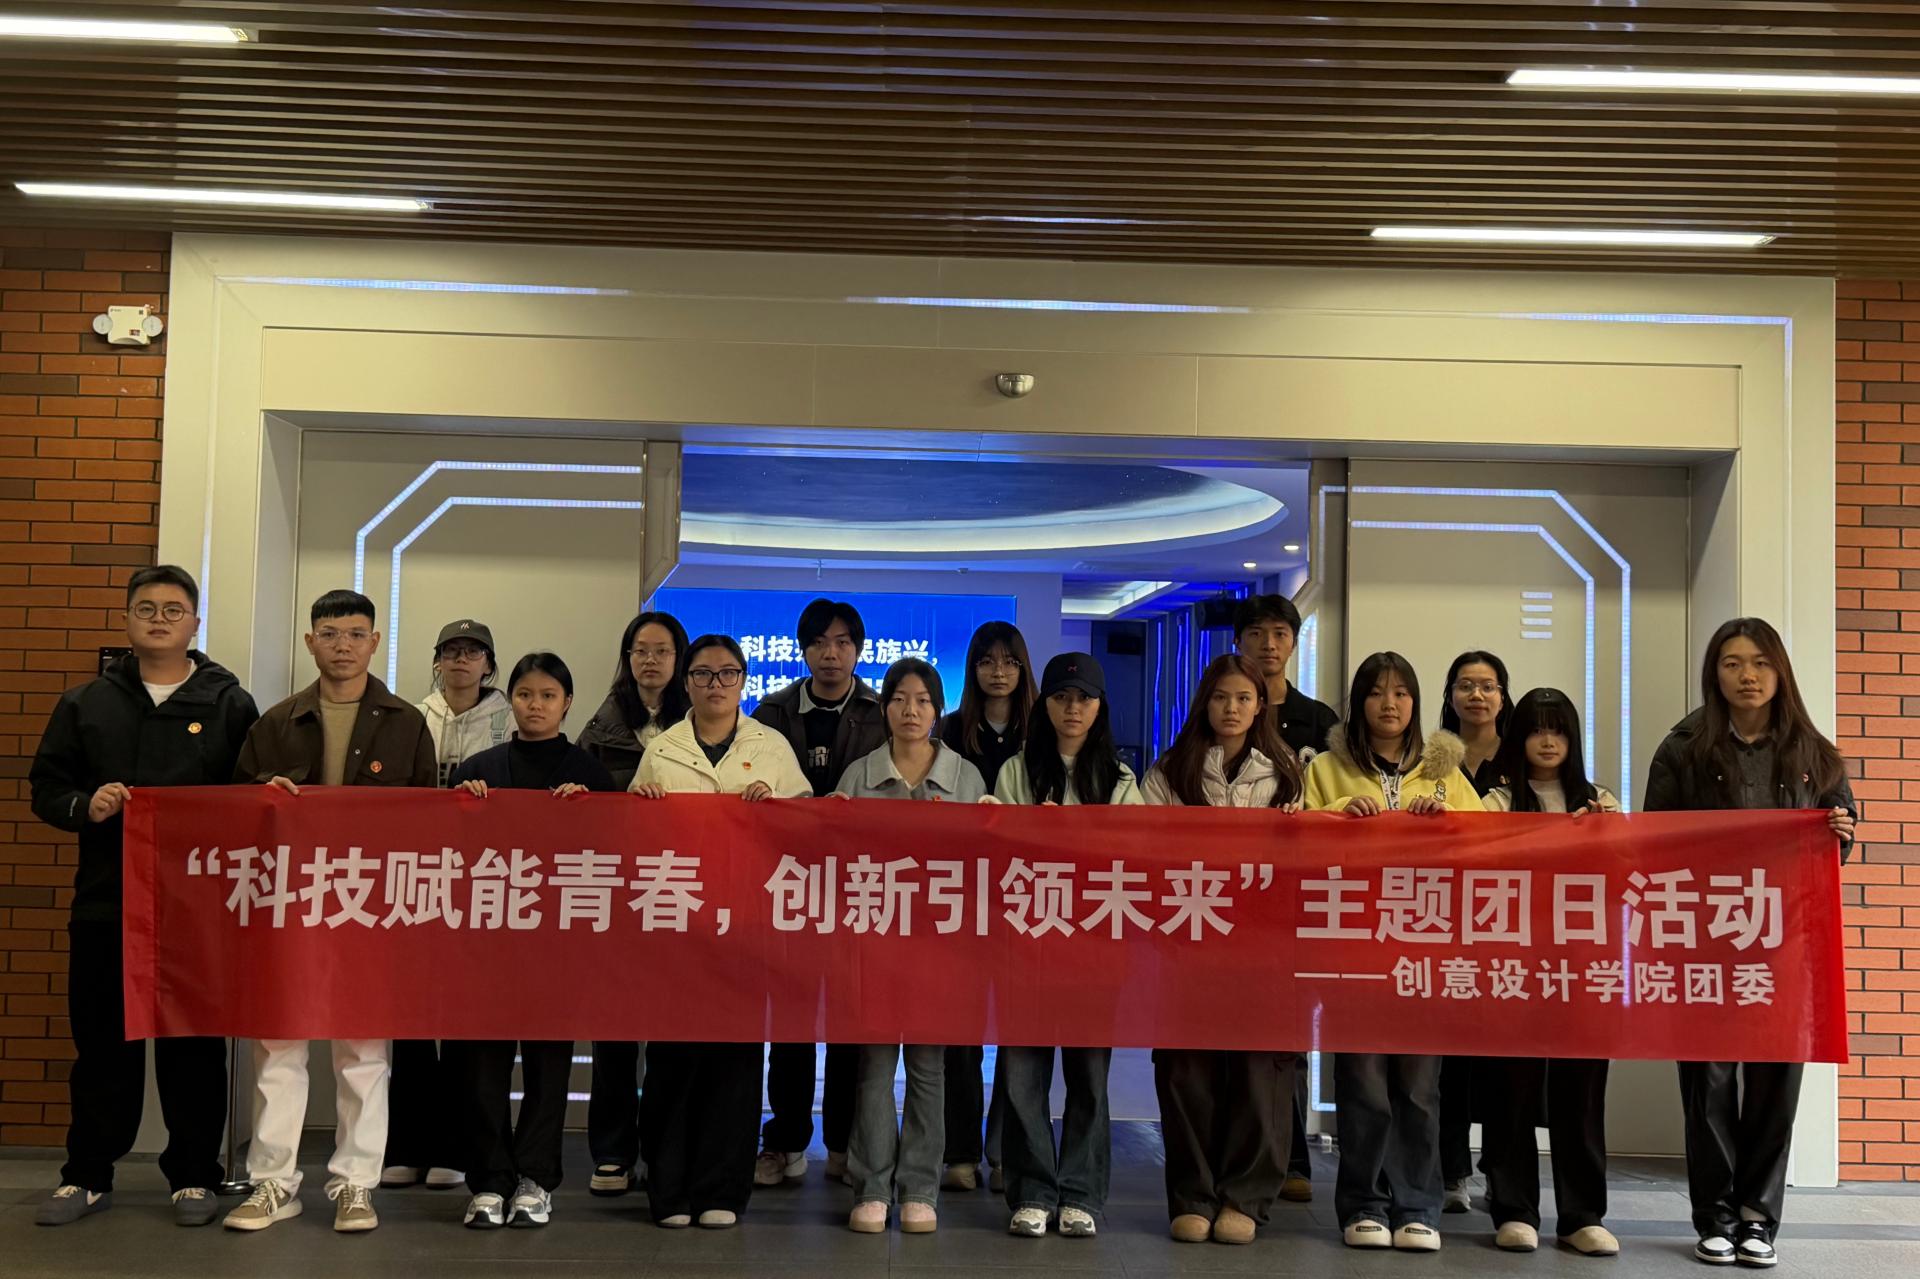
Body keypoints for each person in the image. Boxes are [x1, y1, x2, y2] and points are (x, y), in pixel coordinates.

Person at [28, 566, 259, 1229]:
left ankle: (193, 1175)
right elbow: (47, 787)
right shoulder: (86, 702)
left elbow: (250, 798)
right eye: (147, 608)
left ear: (195, 623)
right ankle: (86, 1174)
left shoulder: (229, 704)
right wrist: (86, 804)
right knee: (103, 1045)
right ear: (128, 619)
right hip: (107, 902)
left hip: (199, 909)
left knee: (194, 1048)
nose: (160, 619)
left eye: (173, 609)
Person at [222, 589, 438, 1235]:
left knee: (364, 1052)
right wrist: (261, 796)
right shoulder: (276, 721)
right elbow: (234, 813)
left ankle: (355, 1184)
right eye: (330, 632)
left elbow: (427, 822)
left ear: (375, 642)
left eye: (355, 633)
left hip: (371, 909)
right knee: (278, 1045)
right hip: (290, 905)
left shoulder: (405, 722)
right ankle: (272, 1183)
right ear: (310, 642)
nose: (343, 644)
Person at [1645, 618, 1856, 1270]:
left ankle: (1759, 1218)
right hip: (1706, 938)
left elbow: (1840, 842)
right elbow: (1655, 844)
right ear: (1715, 673)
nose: (1747, 676)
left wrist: (1841, 832)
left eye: (1760, 662)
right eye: (1732, 663)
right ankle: (1714, 1215)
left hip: (1784, 942)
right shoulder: (1683, 748)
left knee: (1774, 1082)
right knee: (1707, 1083)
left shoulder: (1816, 753)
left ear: (1779, 671)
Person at [1304, 651, 1483, 1254]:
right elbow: (1298, 839)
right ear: (1359, 702)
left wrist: (1446, 818)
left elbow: (1486, 844)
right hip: (1352, 948)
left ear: (1416, 701)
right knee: (1362, 1081)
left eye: (1402, 692)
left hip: (1423, 949)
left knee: (1418, 1086)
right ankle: (1363, 1204)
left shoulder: (1444, 771)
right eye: (1377, 692)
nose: (1389, 704)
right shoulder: (1326, 768)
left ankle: (1418, 1206)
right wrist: (1339, 814)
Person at [631, 634, 811, 1228]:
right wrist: (641, 801)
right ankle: (670, 1191)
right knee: (673, 1061)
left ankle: (722, 1192)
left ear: (743, 681)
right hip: (677, 926)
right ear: (686, 682)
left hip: (744, 927)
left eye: (728, 673)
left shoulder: (773, 747)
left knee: (734, 1062)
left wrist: (776, 806)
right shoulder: (663, 749)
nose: (716, 684)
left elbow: (807, 828)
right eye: (704, 674)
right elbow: (629, 837)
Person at [444, 652, 618, 1229]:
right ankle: (489, 1182)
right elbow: (450, 853)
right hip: (488, 944)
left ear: (567, 703)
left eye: (548, 696)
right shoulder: (479, 770)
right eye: (525, 695)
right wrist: (463, 807)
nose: (535, 706)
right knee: (483, 1066)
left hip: (557, 947)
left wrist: (584, 814)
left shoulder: (590, 775)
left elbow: (610, 857)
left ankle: (536, 1180)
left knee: (548, 1065)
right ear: (510, 701)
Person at [1141, 653, 1304, 1246]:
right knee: (1187, 1070)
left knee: (1260, 1071)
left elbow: (1306, 863)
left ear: (1260, 706)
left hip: (1265, 947)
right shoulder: (1171, 770)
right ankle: (1193, 1194)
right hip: (1190, 941)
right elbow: (1144, 851)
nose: (1231, 709)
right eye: (1219, 697)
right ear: (1203, 703)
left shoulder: (1288, 773)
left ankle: (1245, 1196)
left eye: (1242, 698)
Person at [834, 657, 991, 1235]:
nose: (911, 710)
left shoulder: (966, 778)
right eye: (900, 698)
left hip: (939, 949)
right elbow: (834, 859)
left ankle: (920, 1188)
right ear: (884, 708)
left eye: (923, 700)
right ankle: (872, 1187)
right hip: (875, 944)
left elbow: (981, 866)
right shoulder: (858, 776)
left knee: (929, 1067)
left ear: (938, 711)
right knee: (875, 1067)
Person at [993, 651, 1142, 1238]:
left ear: (1100, 707)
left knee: (1088, 1076)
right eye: (1060, 697)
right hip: (1027, 942)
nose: (1072, 708)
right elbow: (1002, 854)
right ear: (1045, 705)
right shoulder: (1016, 771)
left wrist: (1067, 838)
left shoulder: (1121, 779)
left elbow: (1131, 859)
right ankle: (1032, 1190)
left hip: (1095, 948)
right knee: (1022, 1074)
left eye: (1084, 698)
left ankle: (1081, 1193)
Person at [1479, 688, 1620, 1258]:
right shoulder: (1495, 802)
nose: (1547, 740)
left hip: (1582, 969)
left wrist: (1607, 833)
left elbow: (1625, 878)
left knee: (1580, 1094)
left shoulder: (1601, 801)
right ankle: (1514, 1209)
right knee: (1510, 1088)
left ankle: (1582, 1215)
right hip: (1514, 967)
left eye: (1558, 729)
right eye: (1536, 729)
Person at [750, 598, 886, 1187]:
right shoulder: (772, 712)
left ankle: (844, 1144)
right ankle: (785, 1141)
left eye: (843, 642)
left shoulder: (881, 713)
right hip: (789, 884)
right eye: (819, 642)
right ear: (803, 650)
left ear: (859, 650)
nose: (831, 653)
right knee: (792, 1023)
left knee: (852, 1022)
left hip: (858, 888)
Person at [384, 618, 511, 1193]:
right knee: (409, 1020)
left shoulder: (510, 719)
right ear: (437, 660)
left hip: (482, 884)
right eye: (451, 651)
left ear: (489, 664)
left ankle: (458, 1148)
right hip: (416, 879)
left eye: (473, 652)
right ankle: (408, 1145)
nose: (461, 660)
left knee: (466, 1023)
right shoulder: (410, 716)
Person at [578, 610, 691, 1197]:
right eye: (640, 650)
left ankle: (665, 1148)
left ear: (679, 660)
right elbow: (580, 801)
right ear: (627, 658)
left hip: (680, 892)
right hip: (617, 890)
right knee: (615, 1030)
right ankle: (613, 1151)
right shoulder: (600, 728)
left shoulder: (699, 724)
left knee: (672, 1029)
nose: (651, 660)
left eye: (662, 651)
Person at [1233, 593, 1337, 1202]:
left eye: (1279, 633)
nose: (1268, 644)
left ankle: (1293, 1158)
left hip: (1295, 905)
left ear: (1294, 643)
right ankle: (1237, 1152)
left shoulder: (1320, 721)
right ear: (1239, 641)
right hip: (1226, 903)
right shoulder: (1216, 711)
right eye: (1256, 633)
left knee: (1288, 1039)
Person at [935, 620, 1039, 1194]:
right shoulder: (950, 730)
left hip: (1026, 899)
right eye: (987, 661)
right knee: (962, 1033)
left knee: (1019, 1034)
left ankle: (1004, 1151)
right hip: (964, 898)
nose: (999, 672)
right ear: (972, 669)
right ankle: (960, 1151)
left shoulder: (1041, 730)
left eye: (1010, 662)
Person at [1432, 649, 1512, 1214]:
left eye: (1487, 685)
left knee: (1501, 1057)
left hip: (1507, 924)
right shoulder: (1430, 758)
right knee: (1448, 1058)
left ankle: (1501, 1171)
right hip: (1445, 922)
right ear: (1450, 695)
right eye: (1465, 685)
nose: (1476, 695)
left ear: (1503, 696)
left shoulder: (1523, 753)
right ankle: (1451, 1170)